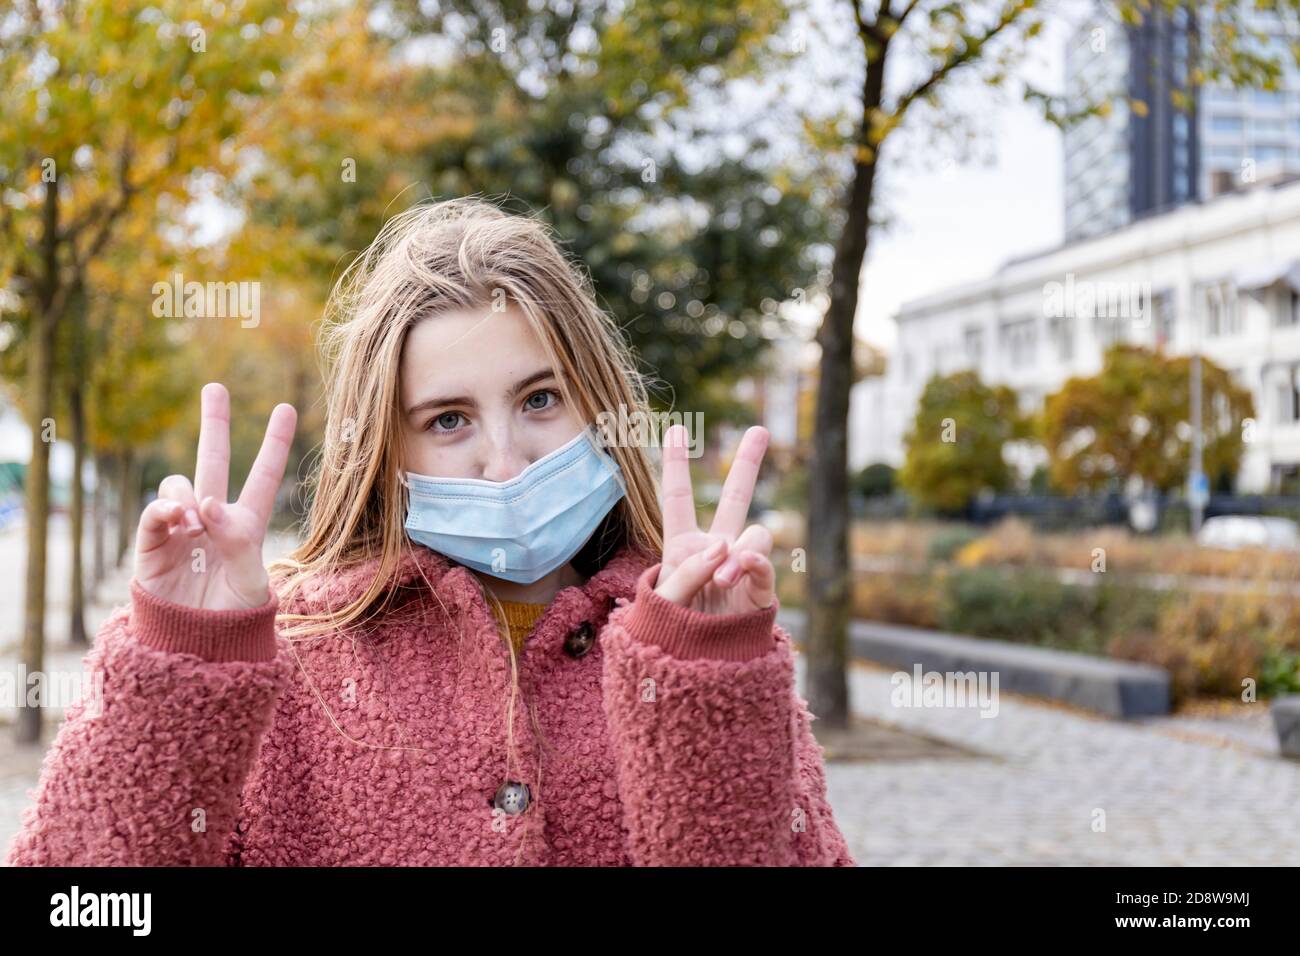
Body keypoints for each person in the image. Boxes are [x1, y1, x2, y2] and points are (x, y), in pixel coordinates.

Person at [6, 196, 855, 867]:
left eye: (539, 401)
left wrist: (705, 687)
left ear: (599, 405)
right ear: (385, 447)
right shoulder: (288, 659)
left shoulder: (707, 643)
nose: (503, 457)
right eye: (448, 420)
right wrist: (181, 657)